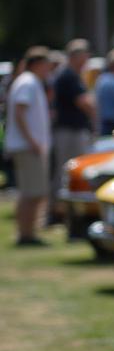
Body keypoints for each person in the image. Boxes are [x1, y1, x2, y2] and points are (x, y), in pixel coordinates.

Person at [4, 47, 53, 245]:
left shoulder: (29, 82)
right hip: (27, 146)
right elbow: (19, 112)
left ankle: (28, 233)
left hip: (28, 145)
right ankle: (26, 234)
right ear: (37, 64)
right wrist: (32, 141)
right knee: (31, 192)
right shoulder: (28, 83)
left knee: (34, 192)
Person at [51, 39, 94, 201]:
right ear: (75, 56)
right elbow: (84, 103)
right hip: (69, 131)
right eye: (84, 56)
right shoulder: (68, 75)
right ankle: (58, 209)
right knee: (66, 171)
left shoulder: (74, 74)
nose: (87, 59)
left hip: (72, 129)